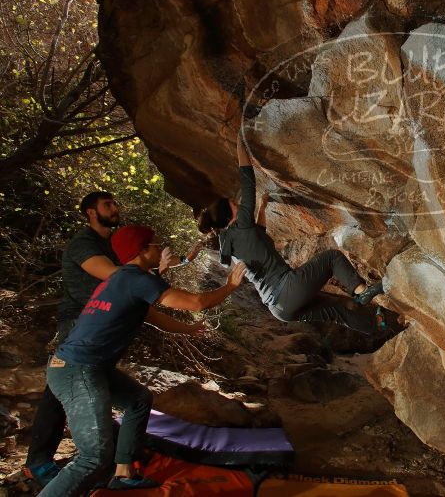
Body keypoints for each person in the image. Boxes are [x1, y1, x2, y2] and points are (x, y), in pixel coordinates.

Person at [39, 225, 246, 496]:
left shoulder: (121, 280)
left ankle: (124, 473)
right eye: (155, 244)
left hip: (82, 366)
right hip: (78, 370)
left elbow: (155, 317)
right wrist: (230, 285)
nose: (160, 248)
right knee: (93, 458)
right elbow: (196, 303)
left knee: (138, 399)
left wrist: (189, 330)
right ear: (143, 250)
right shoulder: (137, 280)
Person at [24, 192, 191, 487]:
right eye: (107, 205)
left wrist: (181, 260)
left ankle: (119, 463)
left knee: (119, 393)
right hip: (82, 317)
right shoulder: (83, 243)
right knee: (63, 389)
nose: (115, 208)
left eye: (115, 203)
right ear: (91, 212)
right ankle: (40, 462)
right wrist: (154, 273)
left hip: (106, 317)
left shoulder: (112, 245)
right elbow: (120, 279)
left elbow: (134, 275)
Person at [197, 137, 386, 334]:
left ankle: (379, 328)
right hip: (286, 290)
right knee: (332, 258)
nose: (236, 204)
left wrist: (262, 207)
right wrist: (240, 143)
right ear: (229, 215)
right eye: (233, 204)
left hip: (278, 309)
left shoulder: (230, 243)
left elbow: (258, 236)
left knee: (335, 311)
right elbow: (248, 181)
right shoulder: (240, 224)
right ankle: (363, 293)